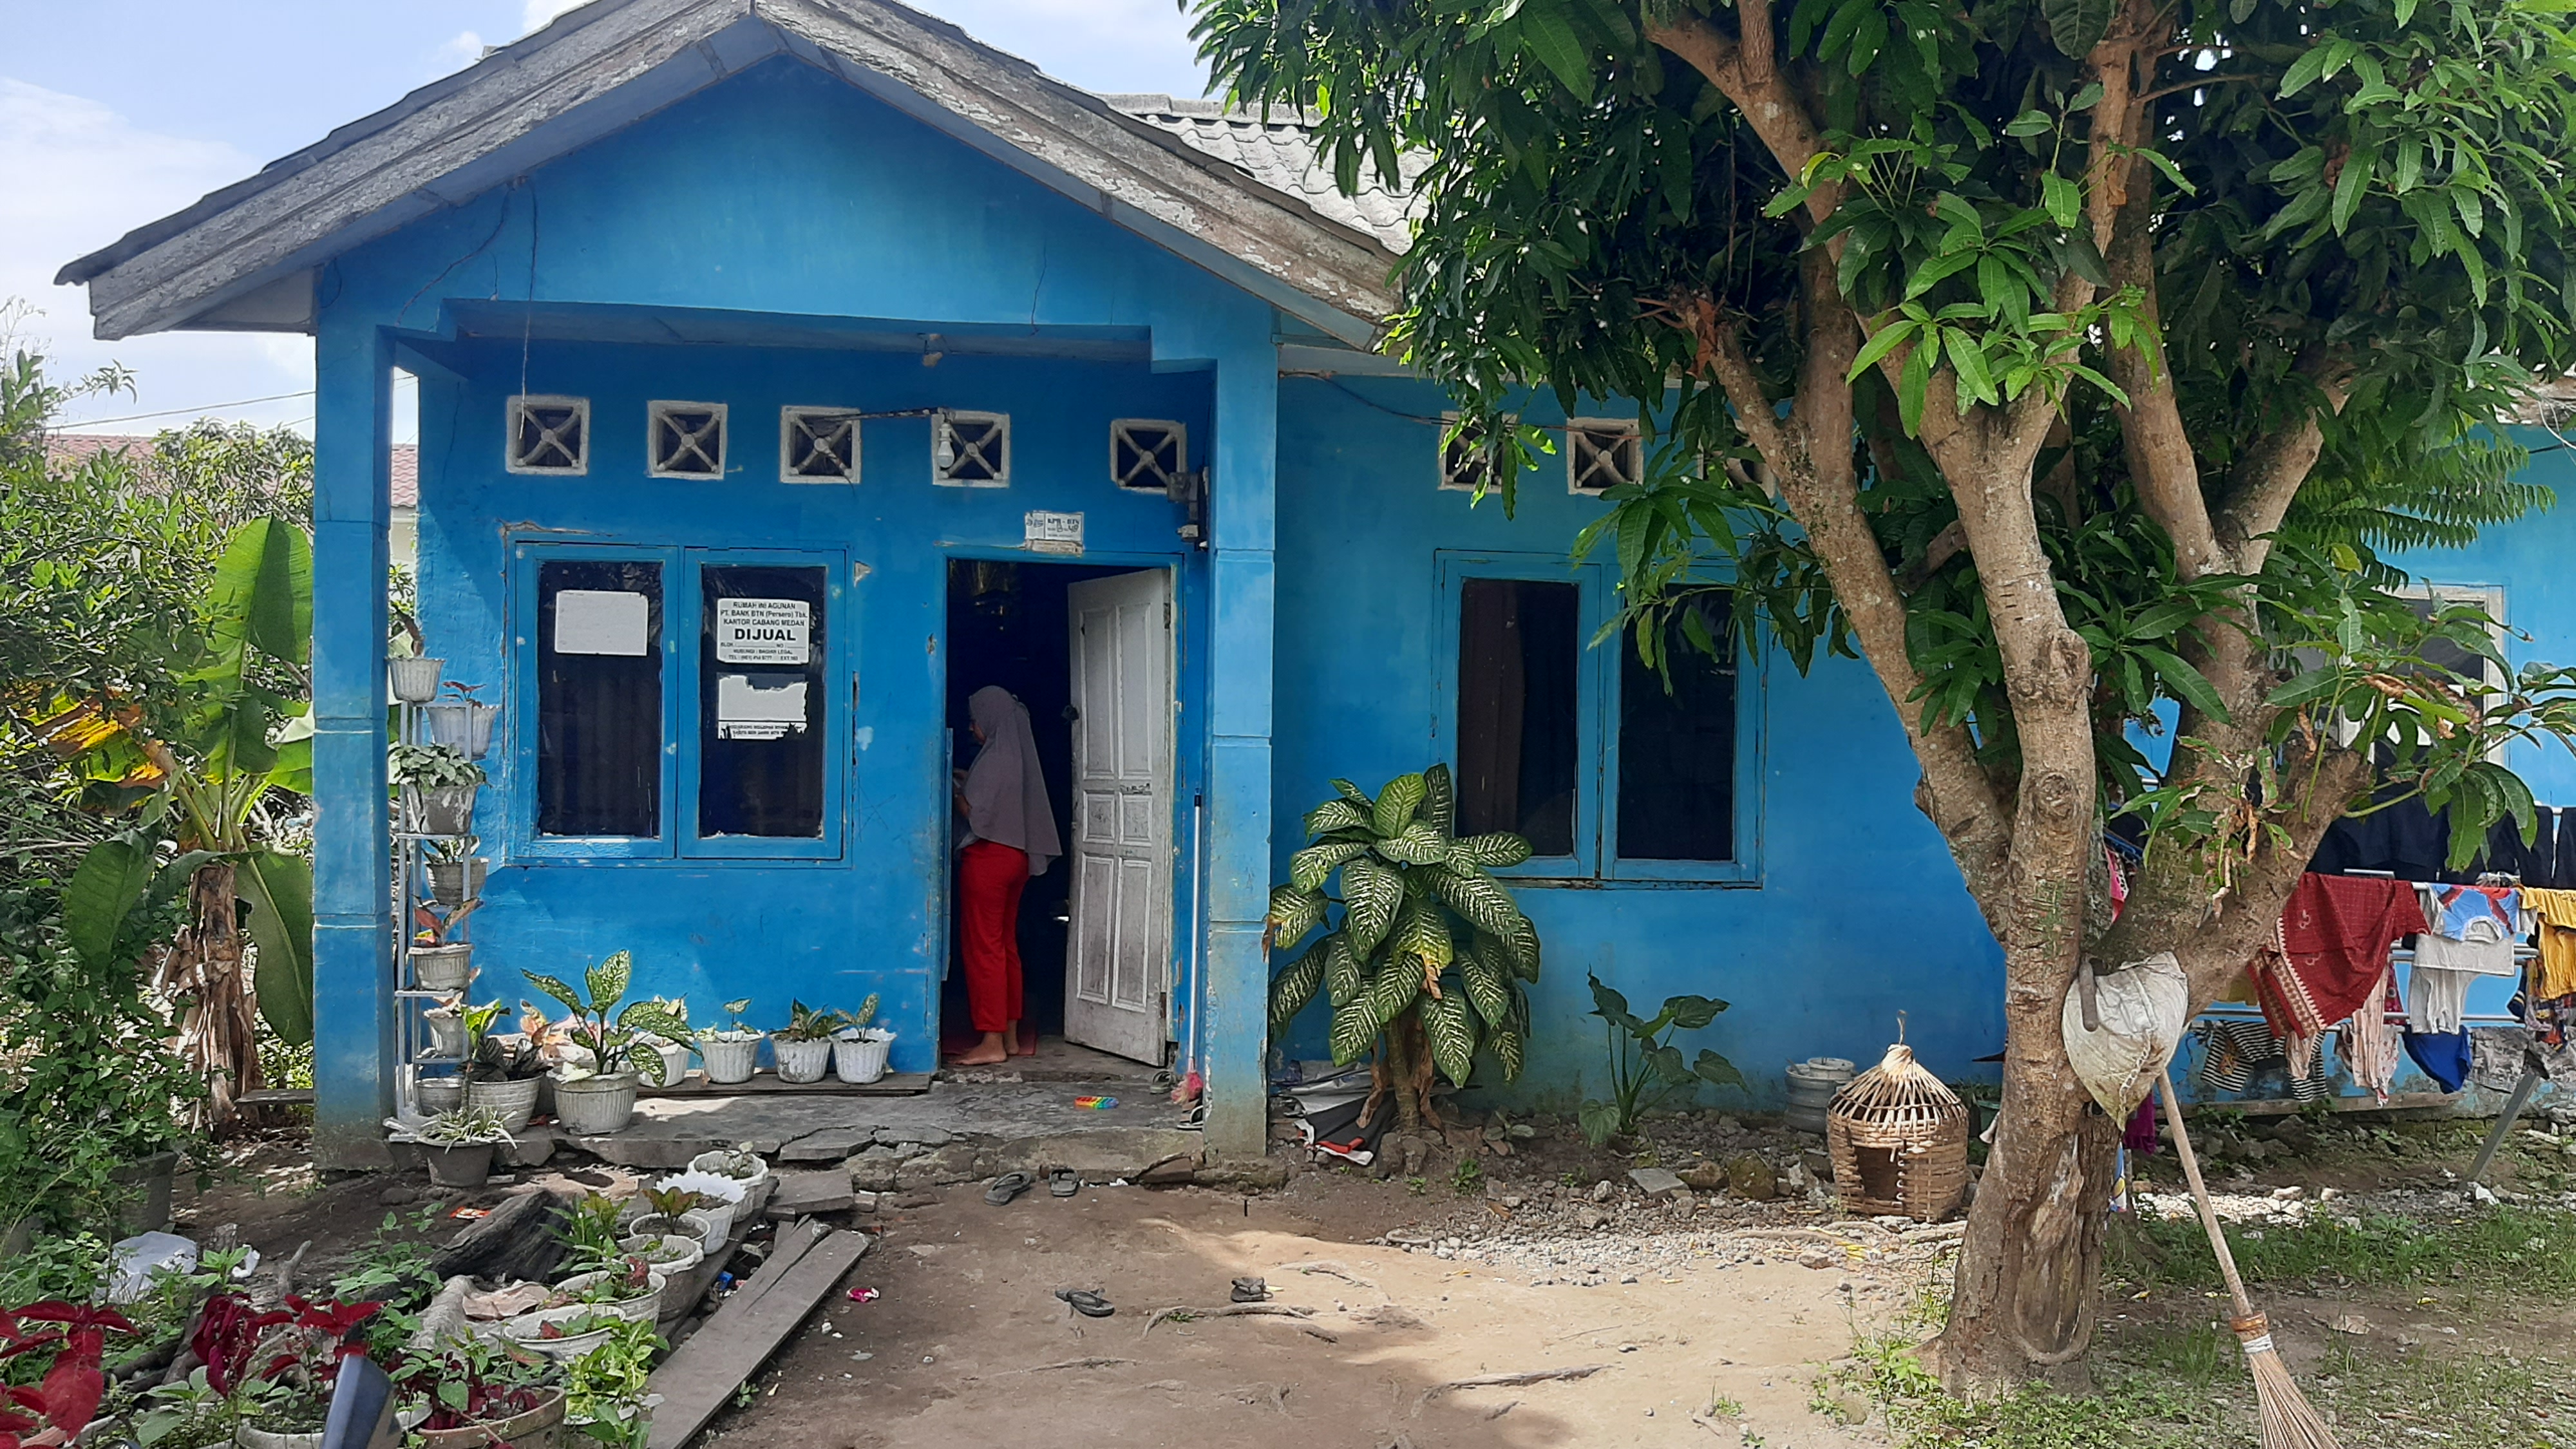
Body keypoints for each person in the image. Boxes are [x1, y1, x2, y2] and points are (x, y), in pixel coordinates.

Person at [950, 686, 1061, 1065]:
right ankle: (1010, 1035)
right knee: (1004, 947)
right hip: (1015, 858)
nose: (972, 727)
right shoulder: (1015, 756)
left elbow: (976, 815)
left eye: (975, 720)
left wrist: (956, 793)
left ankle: (991, 1040)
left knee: (983, 949)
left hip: (988, 859)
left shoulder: (994, 757)